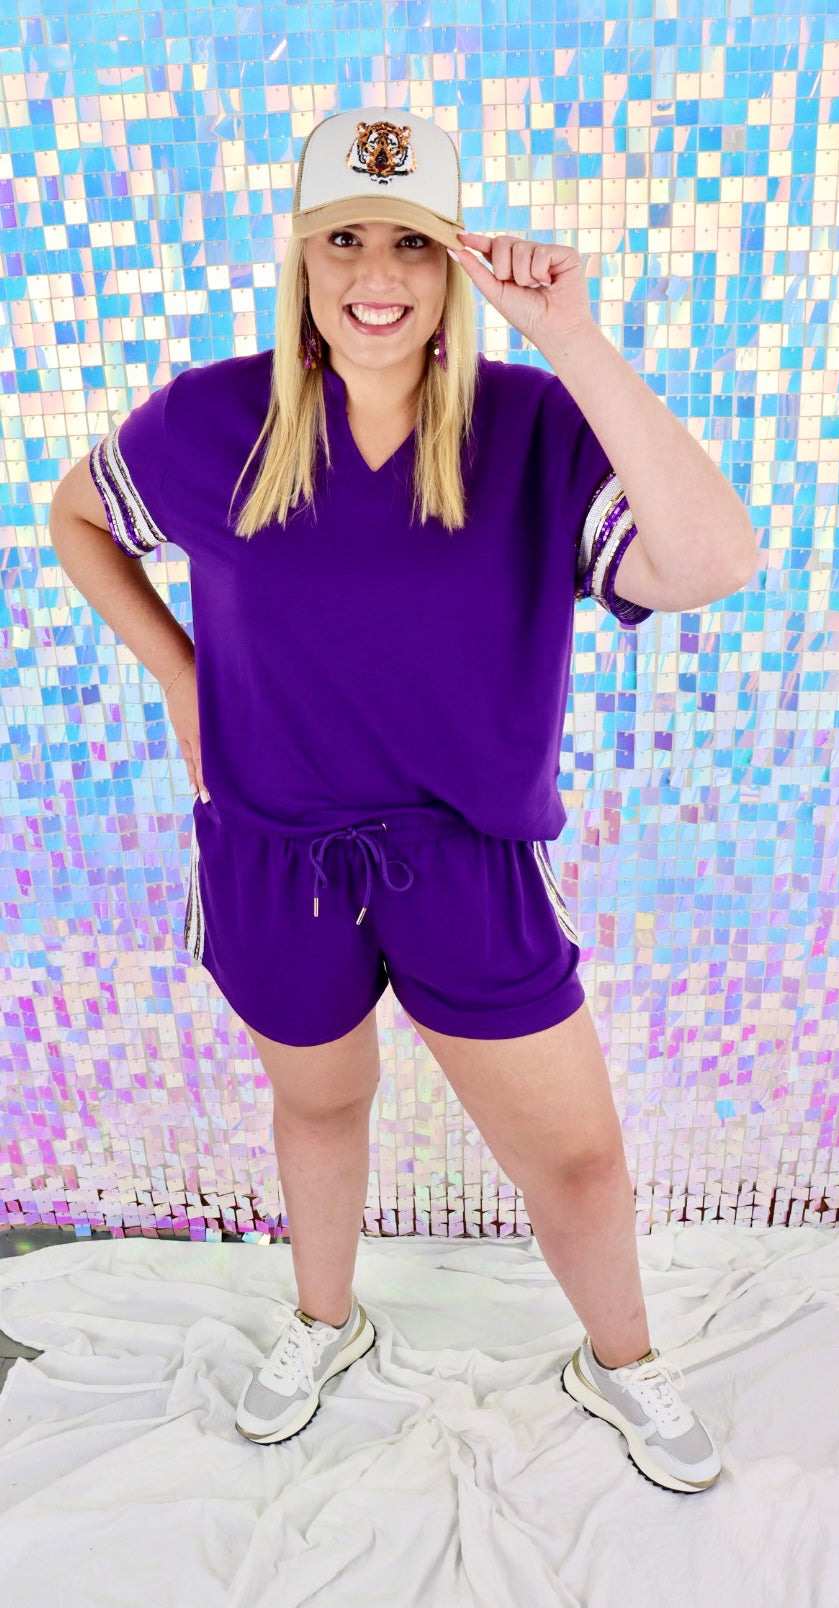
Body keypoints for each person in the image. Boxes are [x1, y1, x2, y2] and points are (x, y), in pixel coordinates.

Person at [49, 108, 757, 1491]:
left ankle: (620, 1359)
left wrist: (573, 338)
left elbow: (713, 561)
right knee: (321, 1110)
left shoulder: (532, 428)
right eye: (345, 242)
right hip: (274, 854)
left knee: (578, 1160)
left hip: (469, 860)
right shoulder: (211, 419)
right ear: (301, 259)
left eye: (413, 246)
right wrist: (182, 677)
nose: (377, 277)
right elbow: (78, 517)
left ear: (454, 265)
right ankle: (328, 1321)